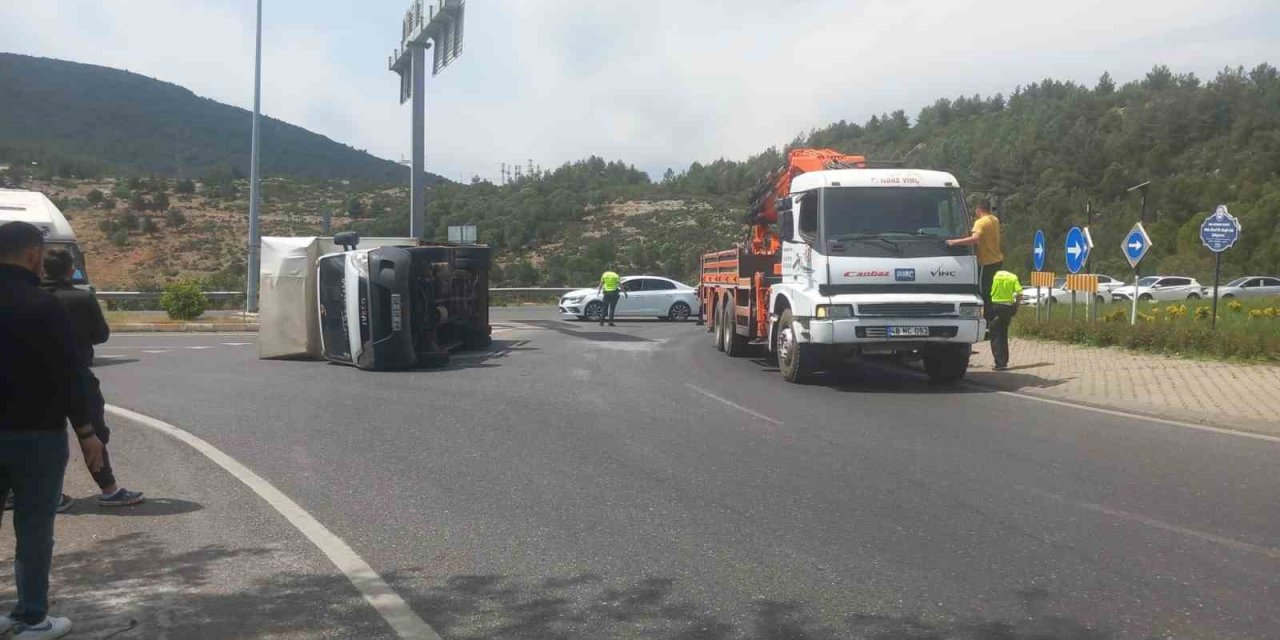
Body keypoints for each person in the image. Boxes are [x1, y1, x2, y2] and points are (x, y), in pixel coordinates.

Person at [0, 221, 104, 639]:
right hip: (36, 435)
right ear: (32, 255)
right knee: (34, 529)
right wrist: (87, 431)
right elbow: (69, 377)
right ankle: (31, 617)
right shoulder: (44, 307)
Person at [41, 248, 144, 508]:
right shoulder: (81, 298)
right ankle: (109, 490)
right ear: (70, 269)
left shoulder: (32, 296)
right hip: (76, 375)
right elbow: (100, 335)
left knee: (44, 437)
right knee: (93, 432)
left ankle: (46, 494)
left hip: (36, 379)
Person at [946, 201, 1004, 319]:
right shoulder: (995, 220)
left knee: (983, 292)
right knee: (992, 291)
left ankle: (987, 318)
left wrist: (954, 242)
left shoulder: (980, 222)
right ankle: (994, 316)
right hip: (997, 260)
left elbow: (975, 239)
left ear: (979, 210)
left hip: (986, 262)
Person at [987, 270, 1023, 371]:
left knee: (995, 335)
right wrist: (1015, 307)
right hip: (1007, 308)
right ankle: (1004, 360)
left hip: (995, 307)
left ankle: (1000, 363)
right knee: (1003, 334)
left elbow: (987, 291)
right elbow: (1019, 294)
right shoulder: (1013, 277)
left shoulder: (994, 276)